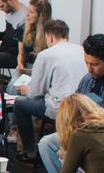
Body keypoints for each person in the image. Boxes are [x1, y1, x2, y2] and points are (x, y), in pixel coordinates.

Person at [36, 33, 104, 173]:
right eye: (86, 62)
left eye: (95, 64)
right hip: (81, 132)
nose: (89, 68)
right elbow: (75, 106)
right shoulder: (87, 79)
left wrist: (96, 118)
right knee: (46, 144)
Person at [12, 19, 86, 163]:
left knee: (19, 104)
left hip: (60, 105)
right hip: (84, 104)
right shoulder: (82, 50)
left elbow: (35, 92)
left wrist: (27, 89)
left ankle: (30, 151)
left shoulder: (46, 55)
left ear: (50, 37)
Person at [18, 0, 51, 75]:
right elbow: (21, 53)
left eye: (31, 12)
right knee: (12, 87)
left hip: (43, 70)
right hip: (27, 66)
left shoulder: (50, 32)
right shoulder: (22, 28)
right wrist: (20, 64)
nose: (27, 14)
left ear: (41, 16)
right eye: (27, 10)